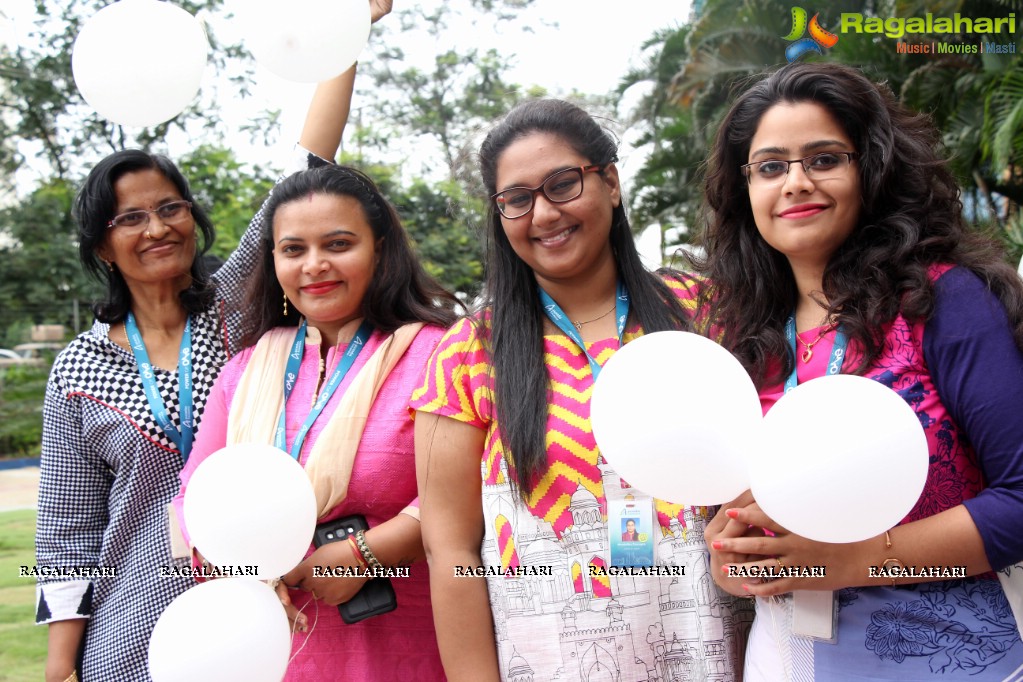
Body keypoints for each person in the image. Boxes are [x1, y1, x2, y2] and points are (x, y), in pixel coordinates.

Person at [34, 6, 392, 680]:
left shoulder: (236, 311)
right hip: (133, 631)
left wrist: (350, 30)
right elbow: (66, 535)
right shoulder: (77, 370)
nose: (157, 227)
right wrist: (60, 667)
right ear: (102, 246)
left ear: (193, 221)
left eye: (171, 208)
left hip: (272, 616)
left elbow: (305, 167)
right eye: (130, 217)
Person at [699, 62, 1023, 680]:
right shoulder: (742, 340)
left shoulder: (945, 302)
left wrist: (855, 559)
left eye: (824, 158)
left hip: (962, 661)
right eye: (770, 166)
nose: (795, 182)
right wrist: (733, 559)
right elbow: (741, 528)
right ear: (746, 190)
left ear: (870, 168)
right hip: (789, 660)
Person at [412, 98, 750, 681]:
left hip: (713, 652)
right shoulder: (468, 352)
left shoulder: (706, 312)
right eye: (517, 199)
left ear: (611, 182)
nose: (543, 214)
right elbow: (452, 553)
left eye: (563, 184)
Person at [175, 163, 458, 680]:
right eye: (293, 249)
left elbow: (468, 488)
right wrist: (227, 564)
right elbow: (193, 492)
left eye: (338, 244)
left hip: (410, 645)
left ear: (380, 251)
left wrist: (365, 553)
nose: (314, 265)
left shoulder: (439, 355)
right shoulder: (244, 372)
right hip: (275, 647)